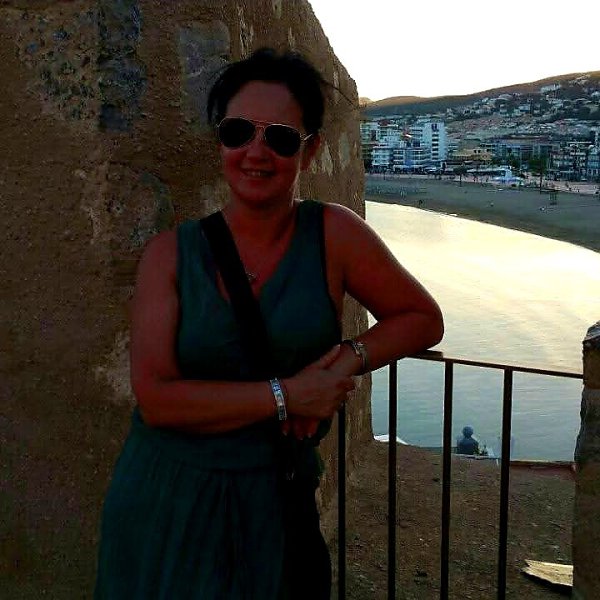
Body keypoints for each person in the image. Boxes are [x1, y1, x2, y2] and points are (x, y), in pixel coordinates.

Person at [94, 47, 444, 599]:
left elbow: (422, 318)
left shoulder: (333, 235)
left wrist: (346, 359)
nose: (256, 152)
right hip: (167, 502)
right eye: (238, 132)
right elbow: (157, 398)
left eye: (280, 138)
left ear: (311, 150)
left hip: (274, 504)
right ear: (221, 141)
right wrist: (289, 395)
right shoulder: (170, 255)